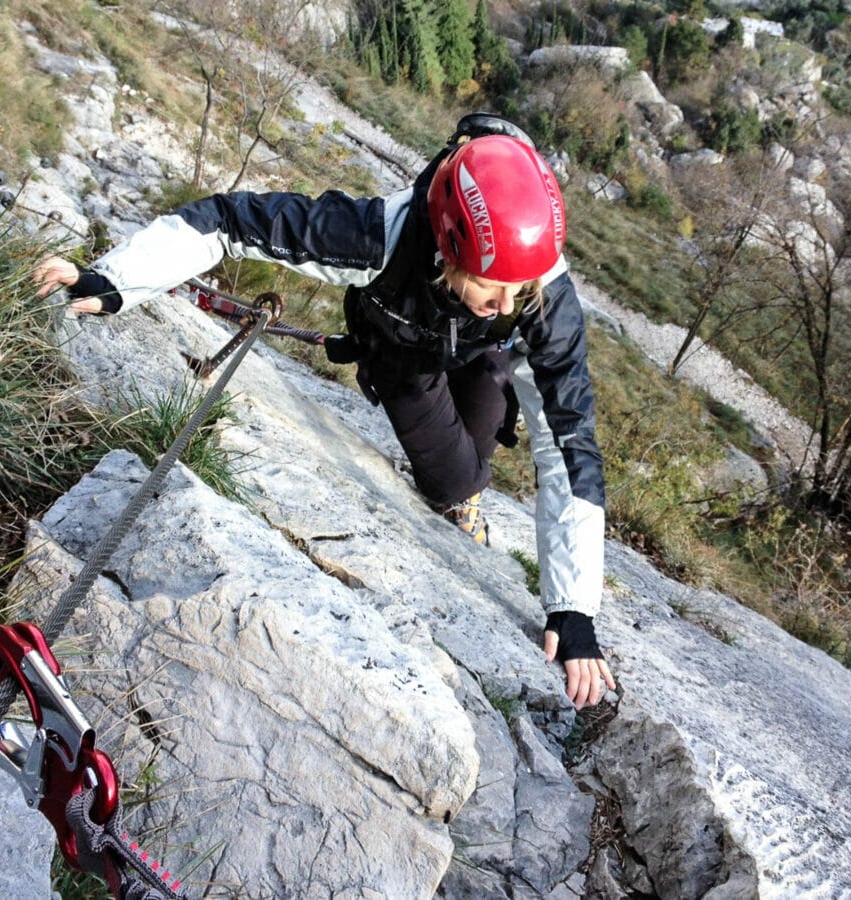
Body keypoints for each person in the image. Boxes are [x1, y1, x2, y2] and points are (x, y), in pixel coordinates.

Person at [33, 114, 615, 709]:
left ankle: (471, 460)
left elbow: (570, 438)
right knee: (456, 479)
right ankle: (464, 486)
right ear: (447, 251)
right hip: (403, 357)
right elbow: (229, 221)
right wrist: (116, 280)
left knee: (492, 381)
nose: (509, 302)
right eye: (494, 287)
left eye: (521, 290)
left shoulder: (540, 286)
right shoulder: (380, 239)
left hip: (482, 356)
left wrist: (573, 608)